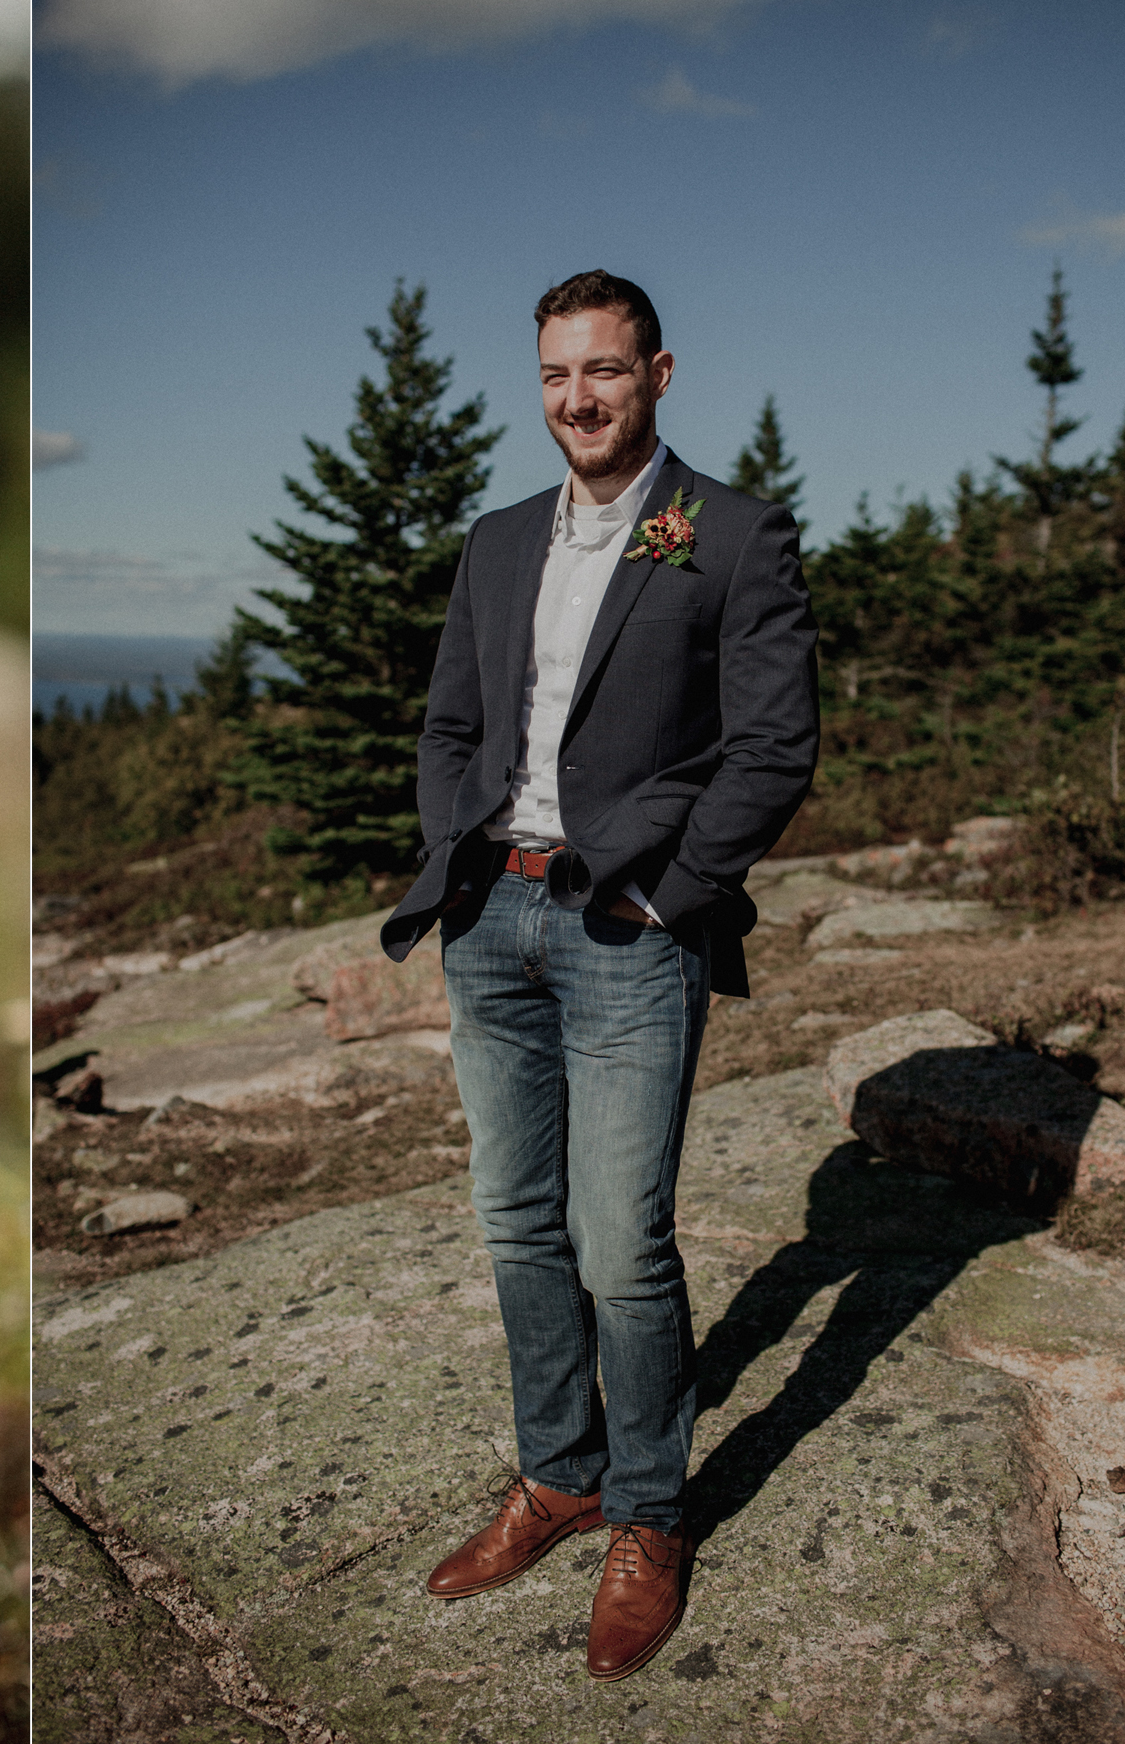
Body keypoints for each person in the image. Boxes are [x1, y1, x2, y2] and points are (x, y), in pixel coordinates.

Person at [377, 269, 818, 1681]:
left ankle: (648, 1510)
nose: (580, 397)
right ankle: (557, 1473)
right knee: (516, 1221)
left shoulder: (730, 535)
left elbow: (773, 746)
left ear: (659, 373)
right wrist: (457, 852)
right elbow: (452, 721)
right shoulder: (499, 541)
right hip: (489, 921)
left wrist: (673, 893)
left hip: (629, 931)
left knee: (620, 1243)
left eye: (606, 371)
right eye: (560, 373)